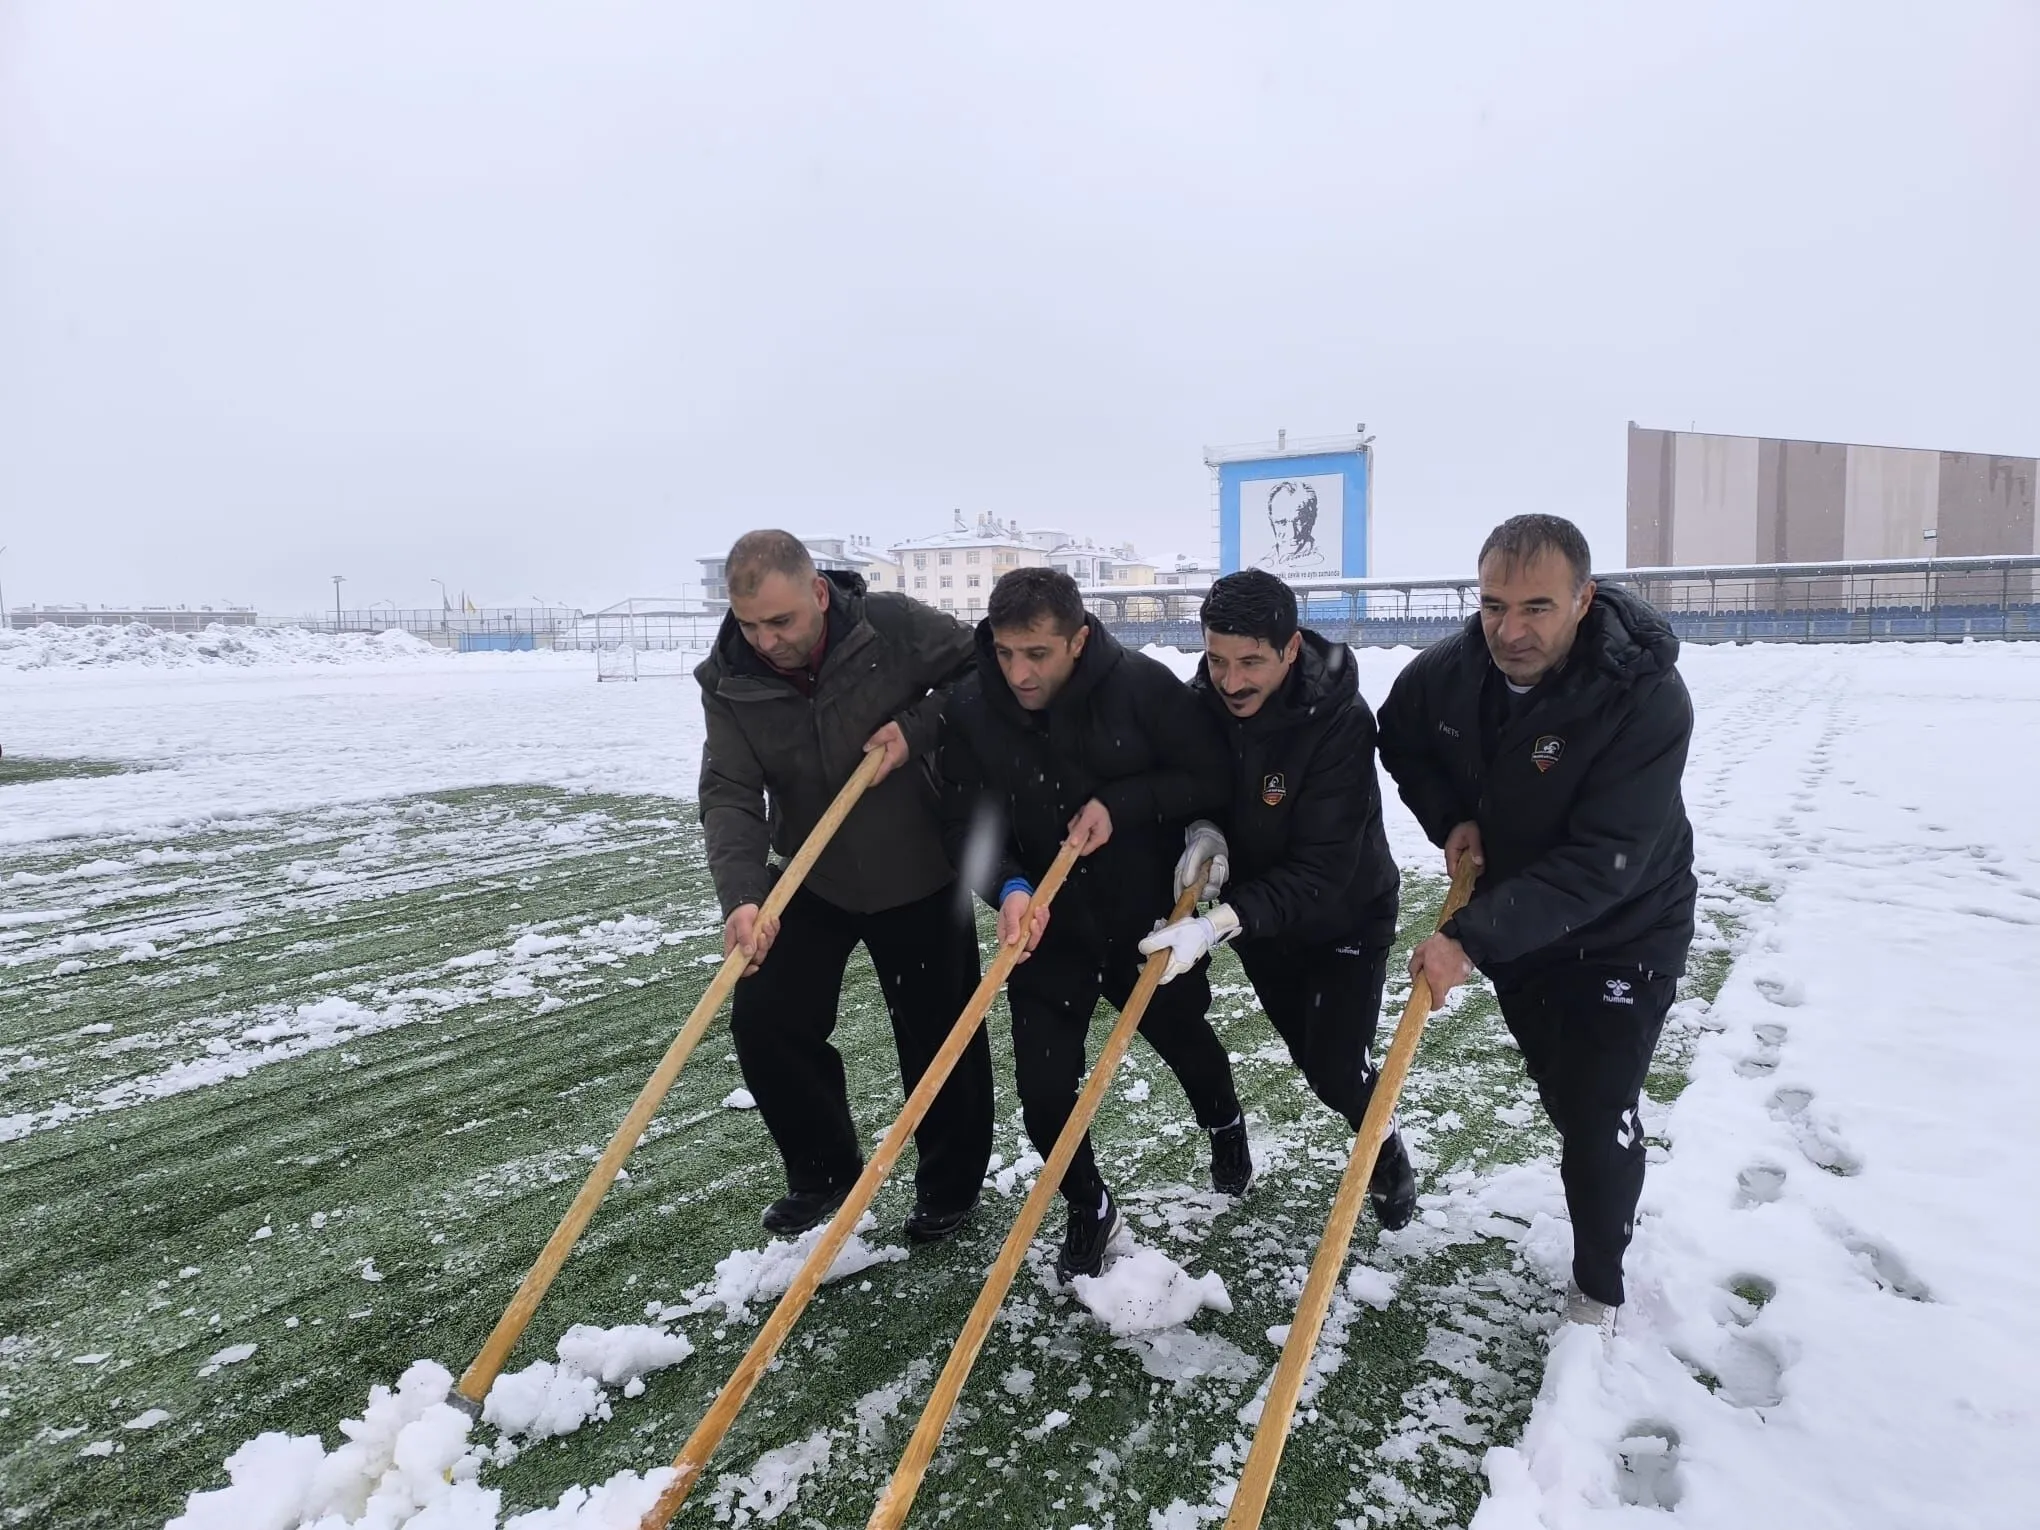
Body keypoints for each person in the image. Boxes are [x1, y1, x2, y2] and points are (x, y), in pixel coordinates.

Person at [1376, 514, 1696, 1328]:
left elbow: (1607, 858)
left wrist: (1468, 940)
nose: (1508, 632)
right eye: (1491, 606)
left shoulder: (1644, 695)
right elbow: (1400, 739)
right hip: (1520, 920)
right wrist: (1451, 814)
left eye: (1536, 609)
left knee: (1593, 1110)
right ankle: (1599, 1137)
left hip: (1625, 923)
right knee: (1565, 1089)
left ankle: (1599, 1288)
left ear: (1585, 599)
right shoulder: (1449, 674)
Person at [938, 567, 1249, 1281]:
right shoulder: (972, 706)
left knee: (1186, 1043)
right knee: (1045, 1095)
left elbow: (1207, 778)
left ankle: (1224, 1122)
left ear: (1078, 639)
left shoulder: (1141, 687)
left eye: (1037, 654)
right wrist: (1009, 885)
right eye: (1006, 652)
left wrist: (1123, 804)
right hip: (1046, 928)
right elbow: (962, 822)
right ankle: (1089, 1203)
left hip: (1141, 916)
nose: (1019, 672)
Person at [696, 530, 994, 1242]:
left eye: (782, 621)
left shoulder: (890, 627)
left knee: (938, 1033)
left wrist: (918, 728)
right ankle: (825, 1169)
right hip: (810, 874)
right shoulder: (729, 680)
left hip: (919, 864)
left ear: (818, 594)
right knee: (766, 1020)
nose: (766, 640)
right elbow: (731, 792)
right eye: (750, 624)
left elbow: (984, 671)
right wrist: (744, 897)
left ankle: (949, 1189)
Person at [1138, 569, 1416, 1229]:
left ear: (1291, 650)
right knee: (1310, 1052)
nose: (1231, 682)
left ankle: (1385, 1151)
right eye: (1217, 659)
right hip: (1267, 928)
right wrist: (1202, 833)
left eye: (1251, 662)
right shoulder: (1200, 703)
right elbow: (1188, 786)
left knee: (1335, 1068)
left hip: (1345, 913)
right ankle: (1359, 1115)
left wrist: (1216, 926)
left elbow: (1323, 867)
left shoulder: (1339, 722)